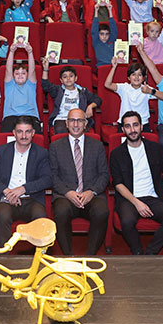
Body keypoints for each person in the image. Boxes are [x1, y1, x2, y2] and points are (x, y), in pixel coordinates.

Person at [110, 112, 163, 255]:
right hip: (129, 198)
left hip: (152, 196)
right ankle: (137, 252)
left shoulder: (155, 148)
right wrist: (137, 203)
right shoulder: (116, 154)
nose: (132, 130)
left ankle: (150, 253)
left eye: (135, 125)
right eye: (128, 126)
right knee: (127, 221)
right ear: (123, 130)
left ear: (141, 126)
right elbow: (118, 184)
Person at [0, 116, 52, 247]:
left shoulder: (41, 153)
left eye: (27, 131)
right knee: (3, 215)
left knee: (40, 215)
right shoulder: (2, 150)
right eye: (20, 131)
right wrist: (6, 191)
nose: (24, 136)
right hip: (7, 199)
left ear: (33, 133)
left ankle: (39, 254)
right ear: (14, 133)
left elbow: (47, 179)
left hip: (31, 199)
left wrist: (23, 189)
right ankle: (3, 255)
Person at [49, 108, 109, 256]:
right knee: (61, 211)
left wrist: (92, 191)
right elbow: (52, 175)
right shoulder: (55, 146)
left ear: (85, 124)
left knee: (101, 211)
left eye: (80, 120)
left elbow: (104, 175)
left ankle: (90, 255)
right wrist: (67, 193)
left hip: (91, 196)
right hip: (66, 196)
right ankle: (68, 255)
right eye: (72, 120)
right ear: (66, 123)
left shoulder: (97, 145)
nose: (76, 124)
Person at [42, 64, 102, 135]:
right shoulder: (58, 90)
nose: (68, 78)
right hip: (62, 118)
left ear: (76, 78)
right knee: (60, 129)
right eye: (65, 77)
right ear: (61, 80)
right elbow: (45, 85)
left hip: (78, 118)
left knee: (82, 131)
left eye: (71, 76)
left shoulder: (82, 91)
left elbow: (98, 99)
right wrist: (45, 70)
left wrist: (91, 106)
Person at [1, 42, 41, 134]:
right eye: (17, 73)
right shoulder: (10, 84)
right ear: (13, 75)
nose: (20, 75)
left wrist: (30, 52)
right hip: (11, 116)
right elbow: (8, 69)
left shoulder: (30, 84)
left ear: (27, 75)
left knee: (36, 136)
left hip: (30, 116)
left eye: (23, 73)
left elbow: (32, 69)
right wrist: (11, 51)